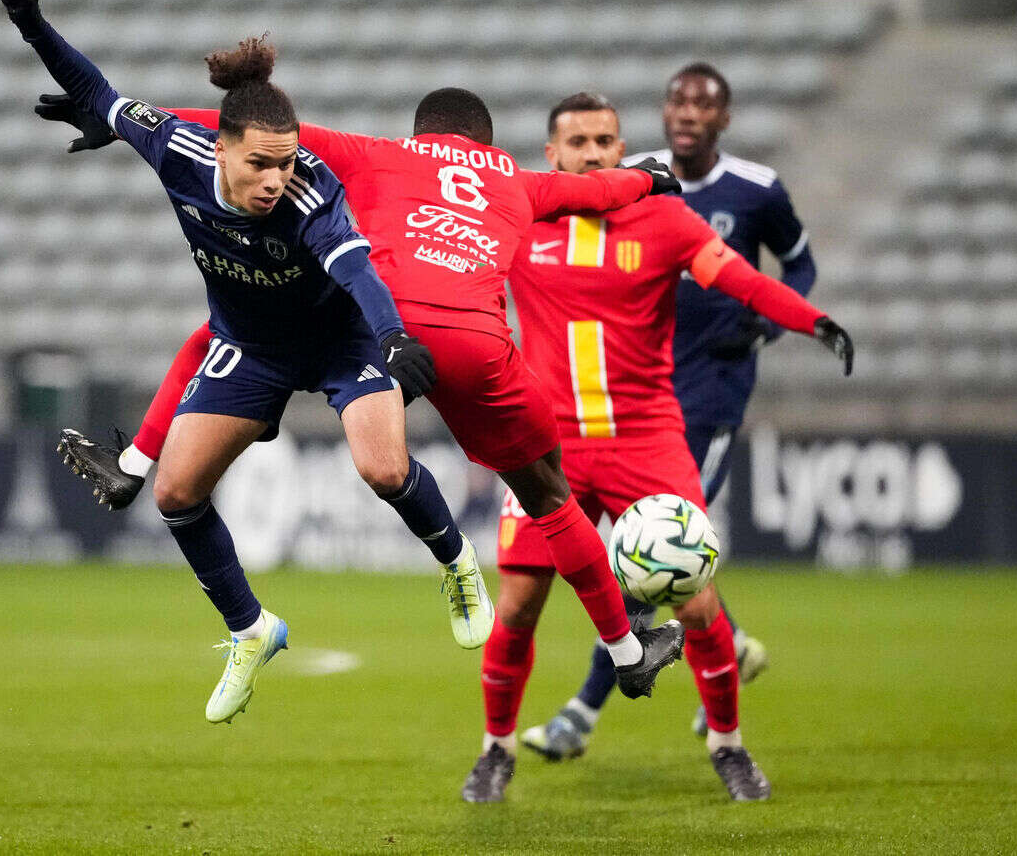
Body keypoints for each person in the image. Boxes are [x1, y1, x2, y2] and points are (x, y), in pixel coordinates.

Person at [37, 76, 695, 731]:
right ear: (486, 144)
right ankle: (627, 650)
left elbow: (230, 124)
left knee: (228, 326)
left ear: (422, 136)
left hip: (378, 326)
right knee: (549, 495)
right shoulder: (517, 179)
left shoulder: (381, 153)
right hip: (475, 345)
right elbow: (600, 190)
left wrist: (114, 116)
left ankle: (144, 458)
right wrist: (654, 178)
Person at [0, 0, 491, 724]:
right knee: (174, 493)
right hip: (251, 345)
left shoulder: (311, 196)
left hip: (338, 339)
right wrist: (32, 23)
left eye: (287, 162)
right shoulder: (177, 149)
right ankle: (251, 630)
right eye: (260, 163)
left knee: (383, 465)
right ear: (221, 147)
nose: (276, 179)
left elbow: (357, 268)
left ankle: (456, 561)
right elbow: (98, 92)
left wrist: (391, 336)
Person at [469, 92, 851, 802]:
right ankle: (494, 750)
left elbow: (741, 279)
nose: (592, 153)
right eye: (577, 142)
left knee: (697, 601)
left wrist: (811, 319)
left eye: (604, 141)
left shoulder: (664, 217)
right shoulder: (516, 215)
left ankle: (729, 745)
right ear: (552, 155)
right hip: (544, 449)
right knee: (518, 603)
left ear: (622, 150)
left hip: (646, 440)